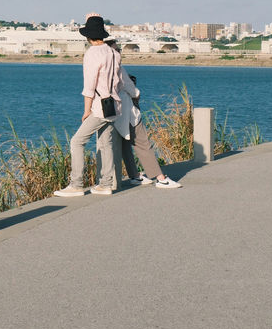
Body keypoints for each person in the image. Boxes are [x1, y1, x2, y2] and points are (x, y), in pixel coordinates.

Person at [54, 15, 118, 197]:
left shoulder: (92, 53)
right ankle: (105, 184)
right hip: (114, 104)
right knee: (106, 143)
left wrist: (86, 110)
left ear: (88, 36)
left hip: (99, 106)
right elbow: (119, 81)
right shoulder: (112, 52)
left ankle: (76, 184)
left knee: (77, 141)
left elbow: (89, 86)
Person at [105, 38, 182, 189]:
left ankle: (134, 175)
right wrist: (137, 93)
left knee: (125, 145)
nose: (119, 52)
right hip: (128, 110)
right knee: (143, 143)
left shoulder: (103, 69)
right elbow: (131, 89)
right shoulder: (118, 68)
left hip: (114, 112)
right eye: (117, 50)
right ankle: (160, 178)